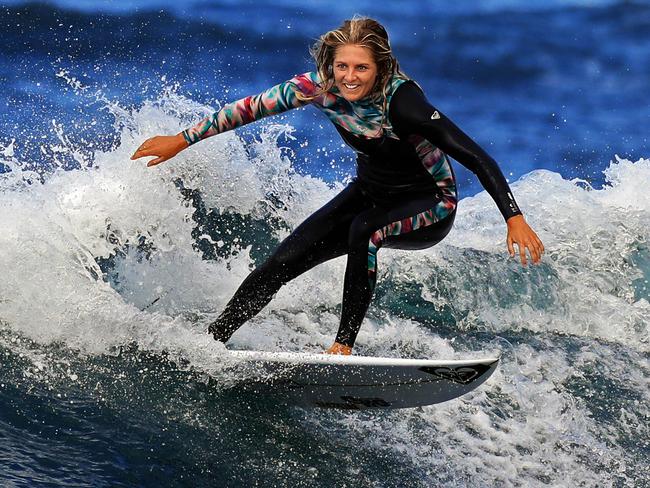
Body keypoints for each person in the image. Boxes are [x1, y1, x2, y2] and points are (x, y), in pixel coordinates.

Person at [131, 17, 544, 355]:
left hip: (431, 204)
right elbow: (250, 109)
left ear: (380, 68)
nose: (349, 77)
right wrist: (182, 140)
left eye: (361, 68)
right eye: (342, 66)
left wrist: (514, 218)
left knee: (365, 229)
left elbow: (475, 155)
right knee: (282, 262)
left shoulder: (403, 103)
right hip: (370, 191)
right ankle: (212, 341)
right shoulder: (316, 88)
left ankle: (342, 346)